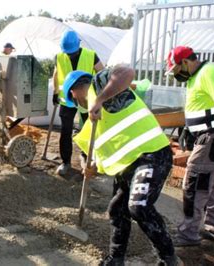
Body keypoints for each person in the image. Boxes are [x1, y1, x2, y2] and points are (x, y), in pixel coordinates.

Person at [65, 67, 179, 265]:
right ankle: (116, 259)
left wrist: (100, 99)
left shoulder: (100, 84)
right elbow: (102, 153)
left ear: (74, 91)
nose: (76, 104)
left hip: (151, 153)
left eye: (73, 99)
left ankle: (168, 258)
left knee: (138, 206)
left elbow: (126, 72)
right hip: (127, 165)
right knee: (117, 209)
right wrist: (92, 167)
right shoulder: (91, 122)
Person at [166, 46, 214, 246]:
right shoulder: (197, 77)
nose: (177, 75)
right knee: (212, 188)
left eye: (177, 70)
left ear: (185, 61)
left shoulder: (208, 73)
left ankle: (188, 234)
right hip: (213, 138)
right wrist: (190, 127)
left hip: (211, 139)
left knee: (195, 186)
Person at [52, 30, 104, 177]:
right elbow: (56, 74)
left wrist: (100, 97)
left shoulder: (90, 55)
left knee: (88, 129)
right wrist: (56, 92)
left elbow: (102, 73)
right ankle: (65, 162)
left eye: (72, 53)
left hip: (86, 99)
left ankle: (86, 158)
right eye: (68, 53)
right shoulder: (59, 57)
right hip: (67, 99)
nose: (70, 55)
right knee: (65, 131)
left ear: (79, 46)